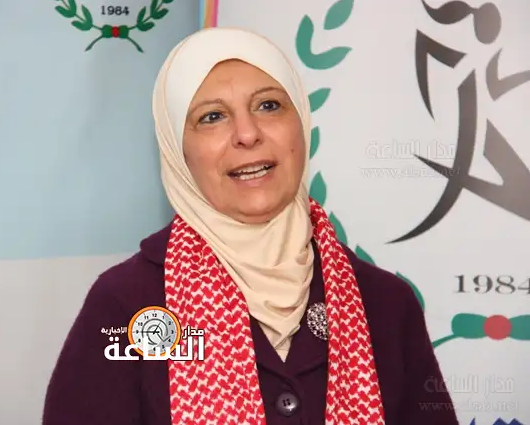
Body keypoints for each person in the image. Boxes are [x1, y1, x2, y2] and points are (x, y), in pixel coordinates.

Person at [42, 27, 459, 425]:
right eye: (212, 117)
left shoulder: (384, 304)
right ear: (177, 150)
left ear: (302, 122)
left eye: (269, 106)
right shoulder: (127, 307)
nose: (247, 133)